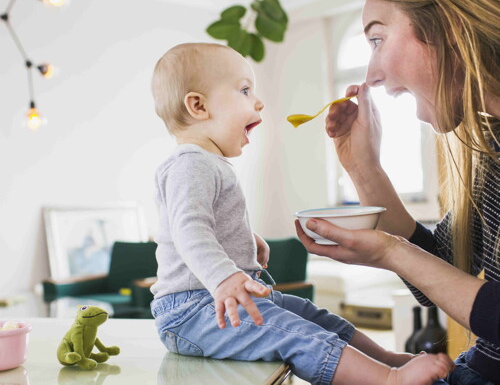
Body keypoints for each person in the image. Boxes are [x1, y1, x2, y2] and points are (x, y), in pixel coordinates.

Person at [150, 42, 453, 384]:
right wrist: (225, 277)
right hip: (193, 311)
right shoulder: (190, 164)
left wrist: (242, 240)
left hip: (214, 300)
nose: (259, 101)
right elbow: (188, 230)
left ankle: (385, 358)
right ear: (198, 106)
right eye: (245, 90)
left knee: (311, 315)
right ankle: (387, 379)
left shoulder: (207, 164)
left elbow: (203, 224)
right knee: (292, 332)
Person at [295, 0, 499, 384]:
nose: (371, 75)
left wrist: (392, 252)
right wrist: (364, 168)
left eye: (376, 39)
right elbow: (445, 269)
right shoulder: (494, 150)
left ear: (448, 27)